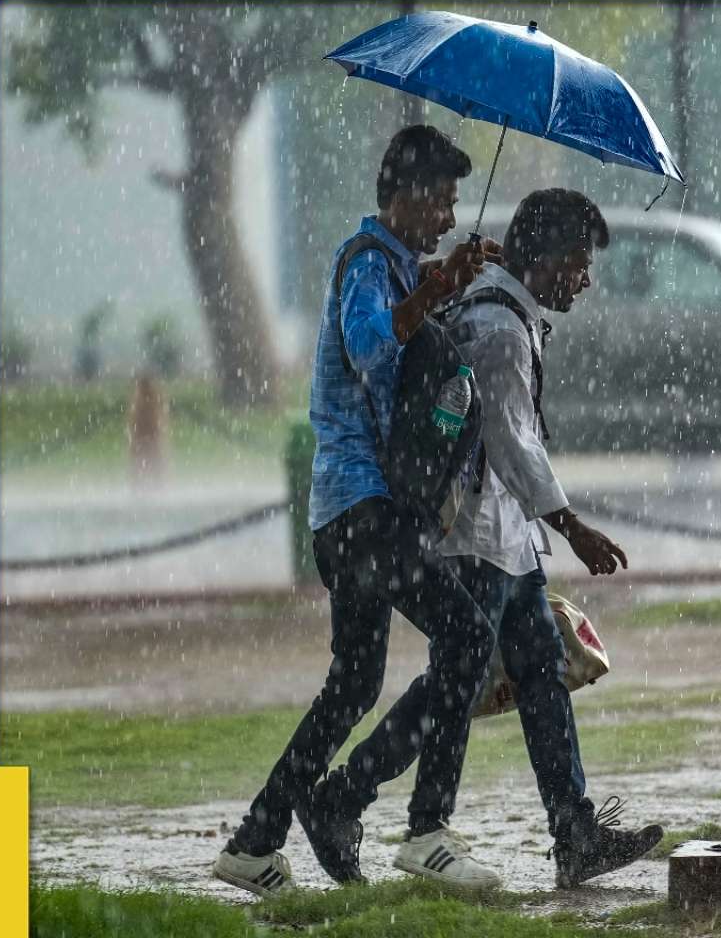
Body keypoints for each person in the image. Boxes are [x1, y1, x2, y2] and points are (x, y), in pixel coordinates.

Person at [312, 188, 663, 889]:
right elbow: (510, 441)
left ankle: (574, 832)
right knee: (456, 685)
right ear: (543, 258)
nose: (585, 279)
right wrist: (572, 526)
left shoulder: (500, 308)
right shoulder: (500, 329)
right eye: (578, 262)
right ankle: (353, 801)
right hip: (475, 534)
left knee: (539, 673)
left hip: (505, 534)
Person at [212, 124, 502, 897]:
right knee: (469, 636)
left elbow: (405, 335)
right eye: (441, 202)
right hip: (366, 512)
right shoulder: (366, 262)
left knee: (353, 685)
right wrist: (432, 292)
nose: (449, 216)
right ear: (404, 195)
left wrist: (443, 280)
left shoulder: (392, 265)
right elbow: (372, 347)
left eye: (454, 205)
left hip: (347, 516)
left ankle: (259, 840)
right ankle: (426, 829)